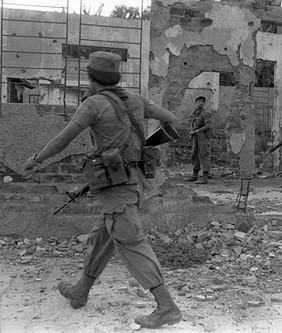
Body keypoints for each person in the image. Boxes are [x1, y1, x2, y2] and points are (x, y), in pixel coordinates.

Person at [22, 51, 182, 329]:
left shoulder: (93, 104)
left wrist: (35, 160)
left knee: (130, 240)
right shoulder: (136, 100)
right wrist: (139, 147)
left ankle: (166, 307)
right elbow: (171, 120)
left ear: (91, 77)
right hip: (134, 180)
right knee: (104, 236)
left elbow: (62, 140)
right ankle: (80, 291)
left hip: (117, 185)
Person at [183, 95, 212, 184]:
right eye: (199, 101)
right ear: (196, 103)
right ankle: (194, 174)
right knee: (194, 155)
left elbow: (208, 125)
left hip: (203, 137)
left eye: (203, 101)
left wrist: (197, 131)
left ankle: (204, 177)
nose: (201, 102)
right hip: (196, 137)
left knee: (203, 155)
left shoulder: (205, 113)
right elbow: (192, 125)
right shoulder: (194, 113)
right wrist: (192, 132)